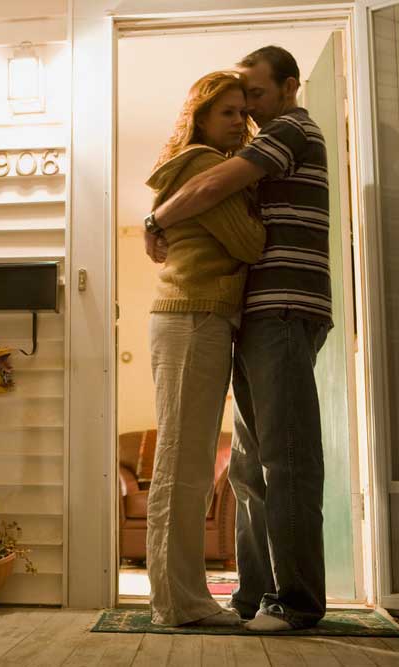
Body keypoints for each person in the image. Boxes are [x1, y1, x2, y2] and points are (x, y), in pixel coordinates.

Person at [144, 46, 332, 631]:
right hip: (248, 314)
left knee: (283, 457)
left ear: (289, 88)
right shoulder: (236, 149)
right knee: (251, 463)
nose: (247, 111)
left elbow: (218, 191)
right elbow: (215, 196)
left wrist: (155, 219)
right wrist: (160, 217)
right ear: (201, 117)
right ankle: (252, 594)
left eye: (252, 94)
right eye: (233, 103)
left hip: (280, 309)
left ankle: (292, 601)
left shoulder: (291, 129)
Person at [143, 71, 265, 627]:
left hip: (196, 317)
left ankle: (177, 599)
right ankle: (180, 602)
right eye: (229, 113)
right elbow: (249, 242)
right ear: (201, 116)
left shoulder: (206, 164)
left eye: (244, 111)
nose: (240, 121)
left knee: (184, 462)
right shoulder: (203, 165)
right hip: (193, 317)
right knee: (183, 464)